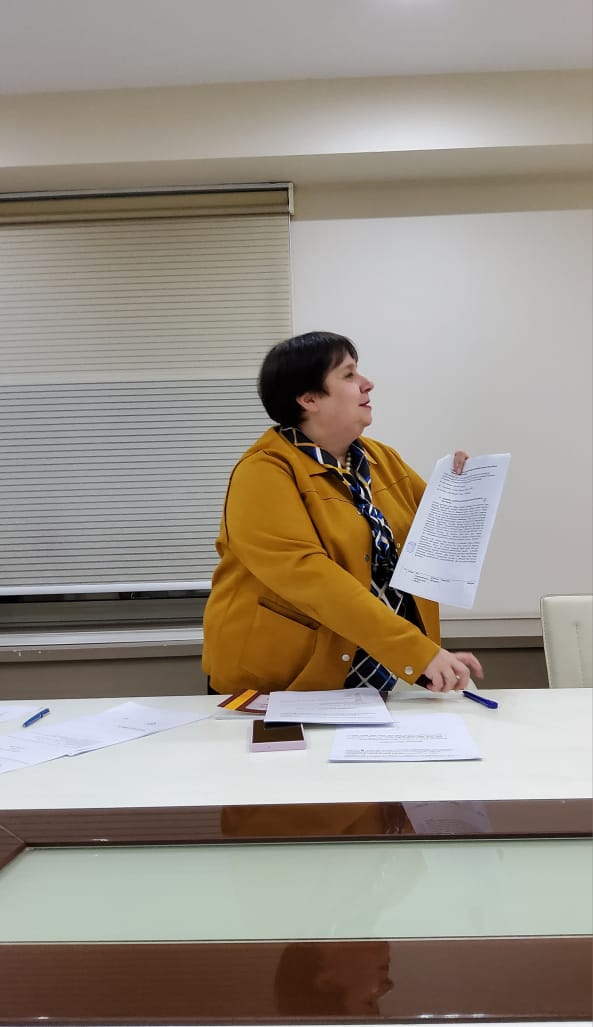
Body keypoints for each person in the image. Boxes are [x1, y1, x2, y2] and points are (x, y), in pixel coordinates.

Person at [203, 331, 483, 694]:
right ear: (308, 399)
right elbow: (311, 577)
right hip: (283, 686)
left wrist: (461, 489)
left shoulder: (382, 459)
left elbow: (437, 542)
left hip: (382, 677)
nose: (367, 383)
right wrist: (417, 652)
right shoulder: (263, 472)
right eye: (349, 375)